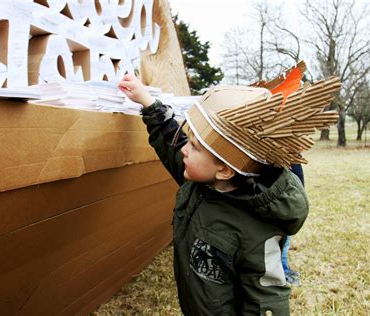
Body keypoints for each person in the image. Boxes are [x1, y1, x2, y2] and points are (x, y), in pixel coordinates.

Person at [118, 71, 339, 315]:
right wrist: (148, 102)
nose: (184, 150)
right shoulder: (201, 180)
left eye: (194, 146)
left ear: (224, 170)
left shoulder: (255, 233)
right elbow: (171, 141)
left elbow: (267, 300)